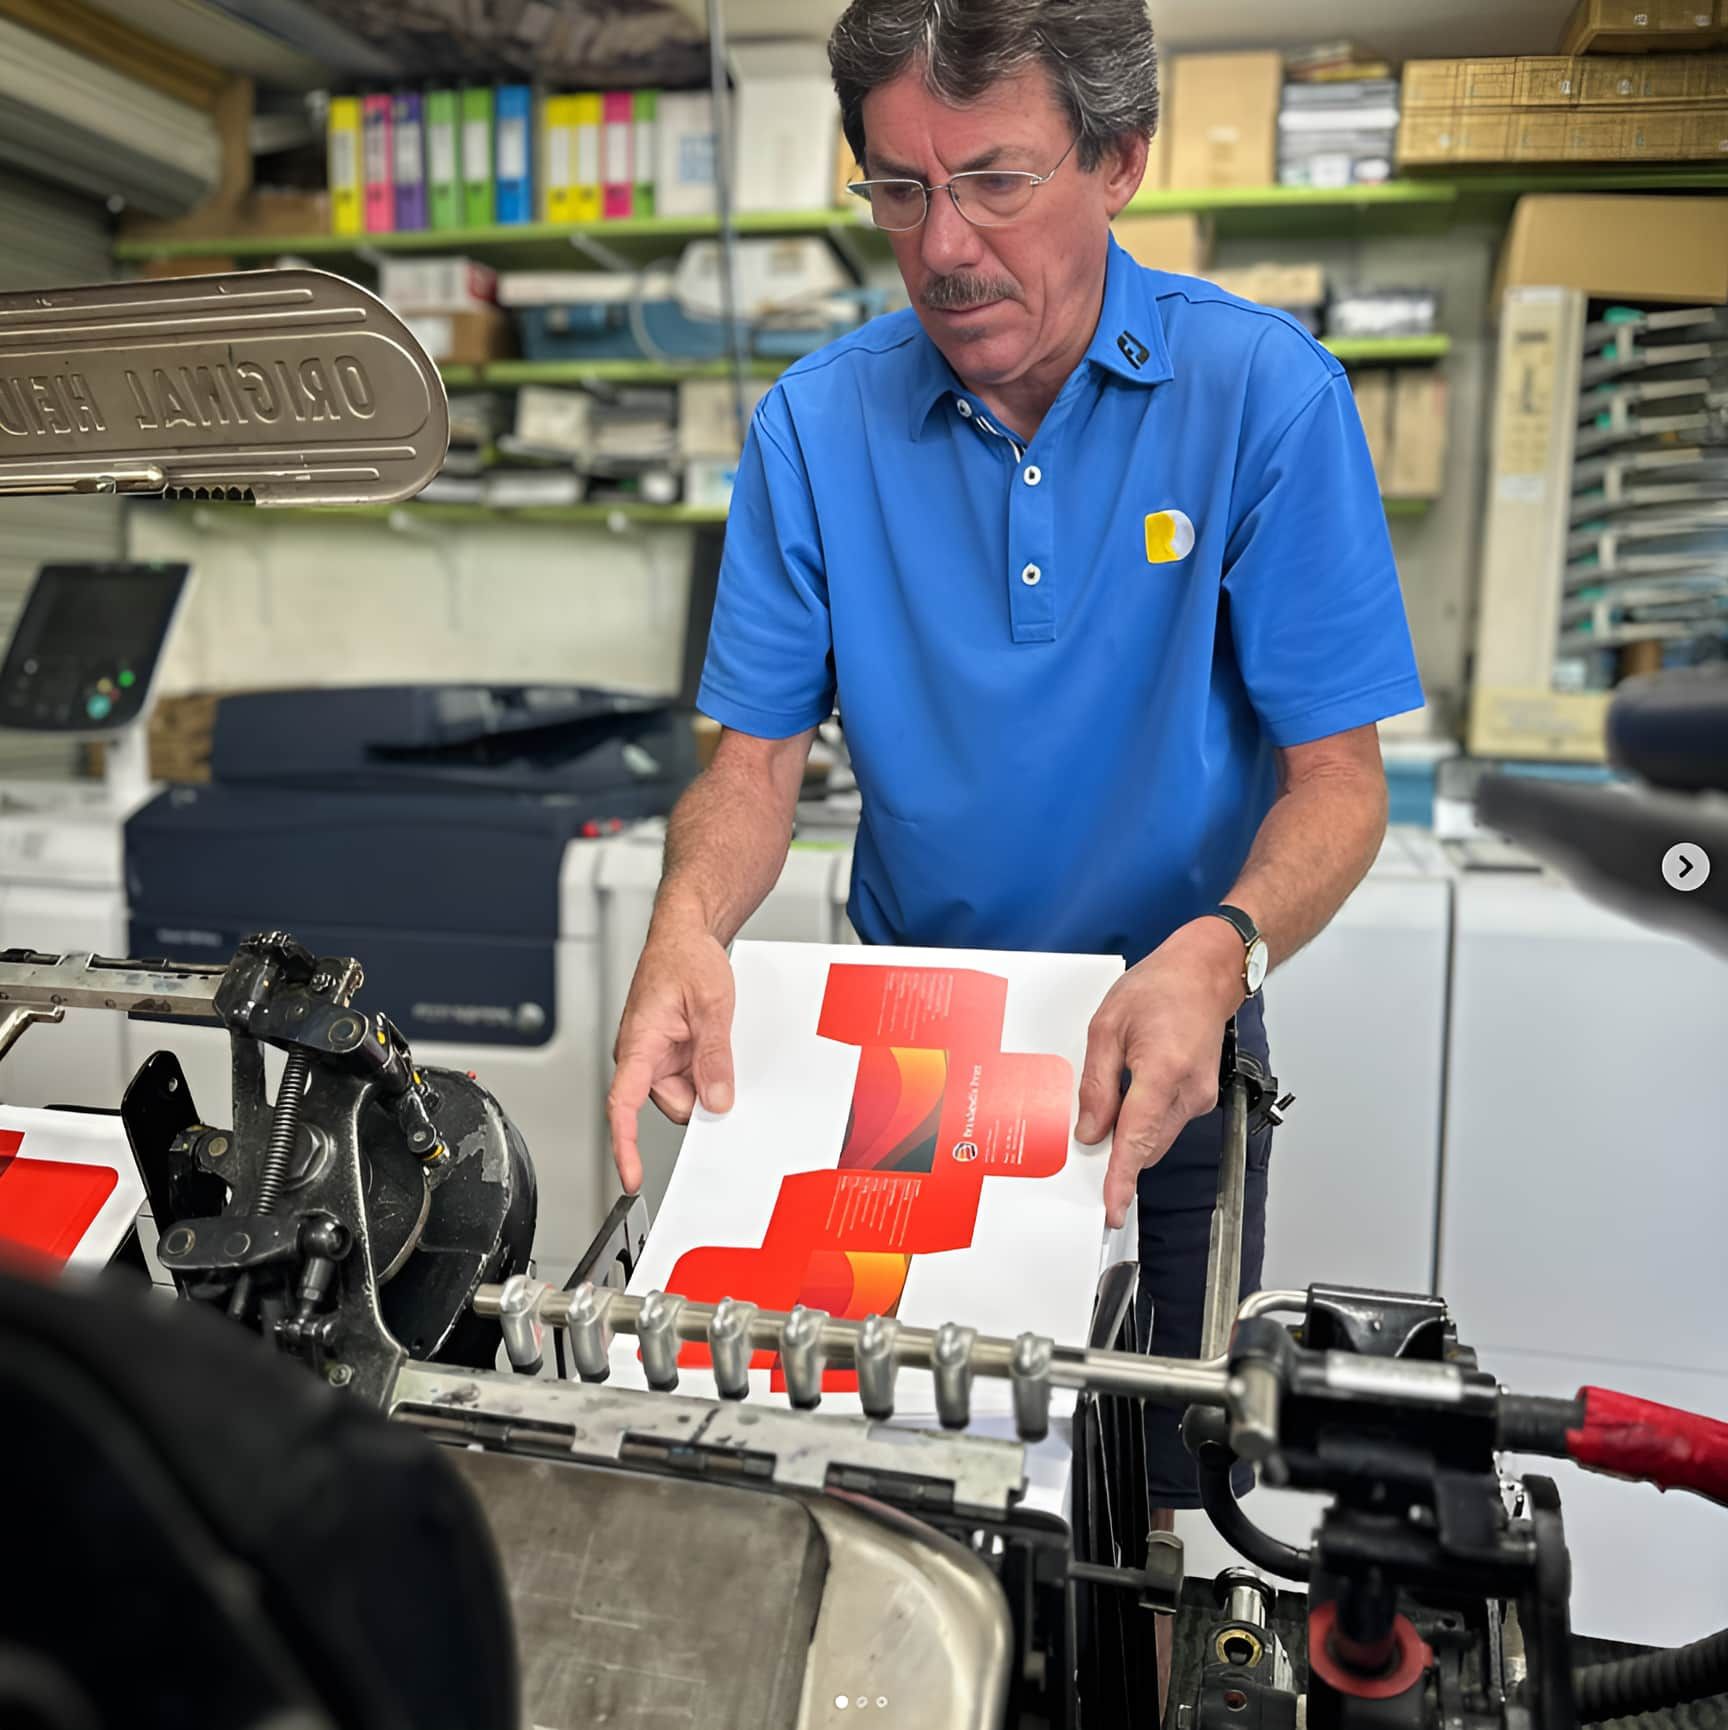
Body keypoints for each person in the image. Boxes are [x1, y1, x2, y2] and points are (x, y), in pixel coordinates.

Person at [607, 0, 1421, 1530]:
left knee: (1144, 1517)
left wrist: (1223, 951)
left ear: (1118, 161)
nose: (943, 246)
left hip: (1163, 1042)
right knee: (901, 1490)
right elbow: (752, 770)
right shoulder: (815, 427)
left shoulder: (1265, 397)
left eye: (994, 181)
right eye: (900, 190)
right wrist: (685, 923)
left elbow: (1340, 782)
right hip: (912, 1055)